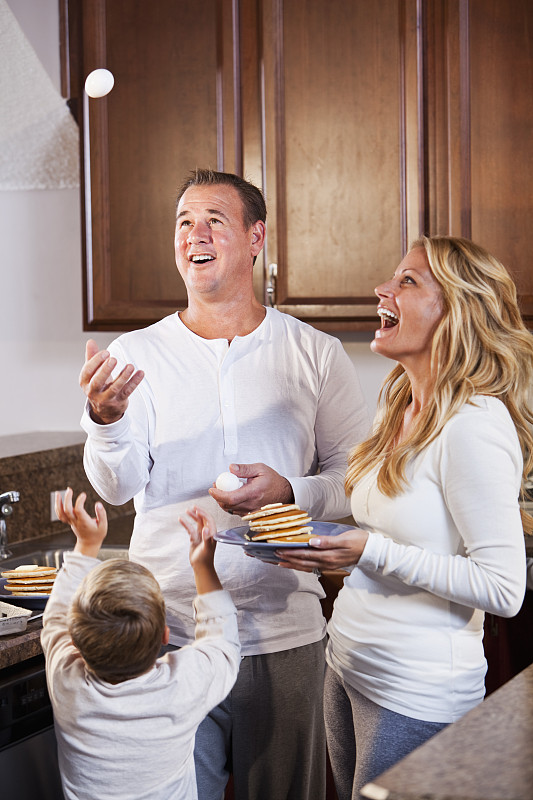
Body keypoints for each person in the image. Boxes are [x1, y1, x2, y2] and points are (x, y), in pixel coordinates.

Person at [78, 168, 370, 800]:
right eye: (184, 222)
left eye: (214, 220)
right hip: (169, 632)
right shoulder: (138, 355)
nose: (195, 234)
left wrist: (290, 491)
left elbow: (358, 478)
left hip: (285, 630)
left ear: (255, 236)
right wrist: (105, 423)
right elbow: (117, 487)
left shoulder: (314, 352)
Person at [276, 235, 532, 799]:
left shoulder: (474, 425)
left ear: (455, 310)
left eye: (408, 281)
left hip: (415, 693)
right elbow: (373, 508)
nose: (382, 290)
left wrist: (368, 550)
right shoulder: (400, 403)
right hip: (347, 664)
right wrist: (288, 496)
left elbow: (504, 588)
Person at [41, 488, 240, 800]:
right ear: (165, 635)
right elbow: (222, 641)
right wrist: (203, 564)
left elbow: (53, 617)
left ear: (75, 637)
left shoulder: (66, 679)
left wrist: (86, 545)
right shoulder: (181, 685)